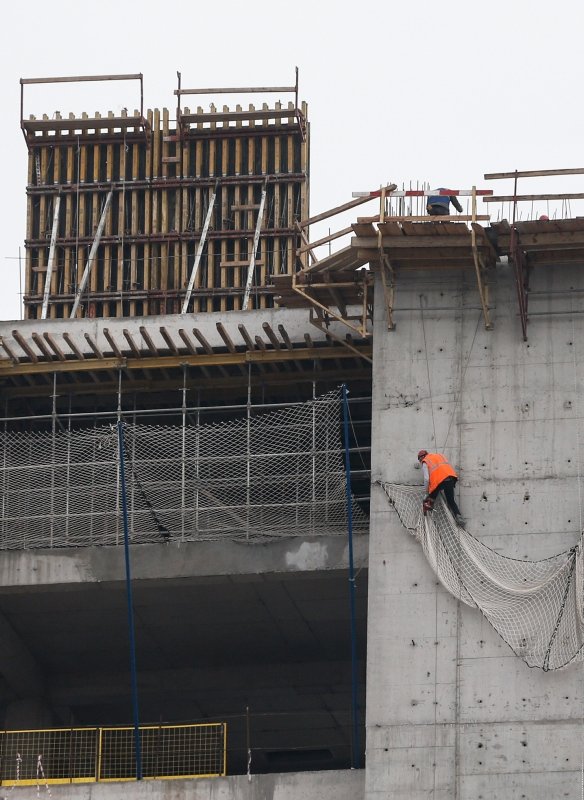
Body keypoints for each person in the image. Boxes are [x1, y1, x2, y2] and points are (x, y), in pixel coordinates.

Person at [417, 449, 465, 526]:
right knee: (451, 500)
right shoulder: (439, 456)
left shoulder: (425, 461)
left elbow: (426, 479)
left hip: (439, 481)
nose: (420, 462)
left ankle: (429, 509)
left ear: (421, 457)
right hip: (450, 478)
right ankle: (458, 516)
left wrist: (426, 493)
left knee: (430, 496)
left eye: (420, 460)